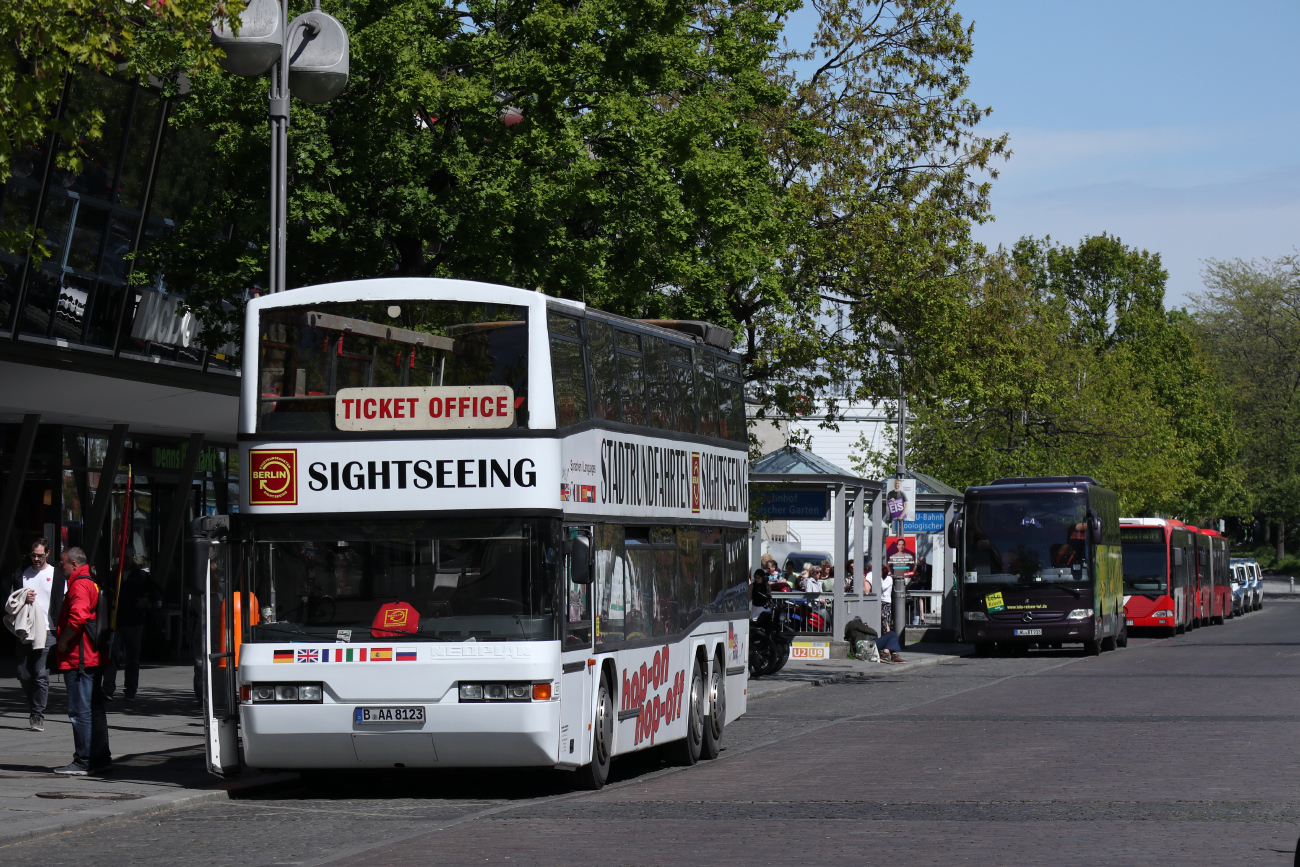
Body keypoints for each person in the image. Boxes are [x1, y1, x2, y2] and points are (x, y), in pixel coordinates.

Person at [53, 547, 111, 776]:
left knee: (80, 710)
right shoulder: (92, 581)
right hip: (91, 656)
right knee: (94, 708)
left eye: (63, 563)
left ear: (74, 564)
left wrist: (62, 642)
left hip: (81, 658)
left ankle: (84, 760)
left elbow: (78, 618)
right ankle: (99, 759)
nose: (61, 567)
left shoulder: (80, 584)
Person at [3, 538, 64, 731]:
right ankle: (34, 705)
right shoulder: (22, 573)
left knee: (40, 673)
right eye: (33, 555)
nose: (36, 559)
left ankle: (37, 714)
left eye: (39, 555)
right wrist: (23, 598)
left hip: (47, 629)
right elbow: (12, 601)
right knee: (23, 673)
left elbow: (64, 600)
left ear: (47, 554)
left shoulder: (56, 574)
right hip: (26, 629)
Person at [108, 551, 153, 701]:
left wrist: (146, 600)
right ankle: (108, 688)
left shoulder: (140, 575)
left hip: (134, 621)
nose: (124, 561)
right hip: (116, 620)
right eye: (121, 558)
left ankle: (130, 690)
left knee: (132, 658)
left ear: (131, 558)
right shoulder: (114, 573)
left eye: (126, 557)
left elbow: (156, 590)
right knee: (112, 655)